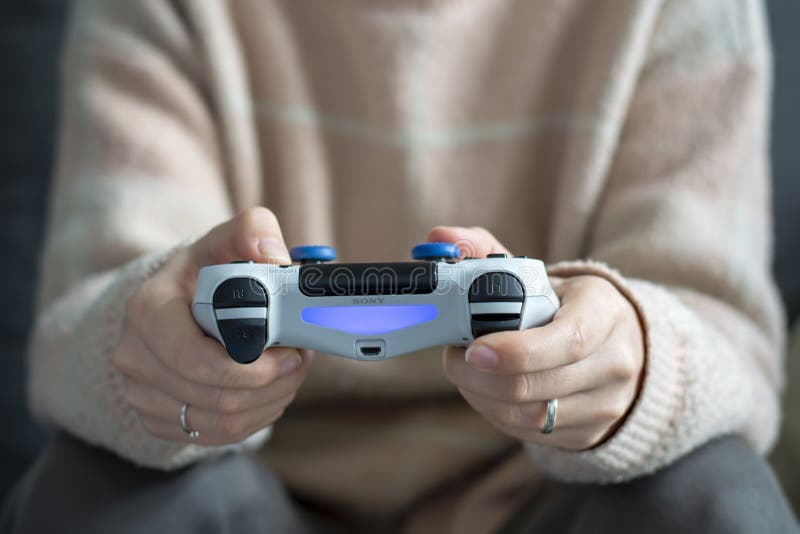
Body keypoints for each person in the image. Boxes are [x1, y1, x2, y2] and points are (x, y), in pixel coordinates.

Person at [2, 0, 799, 532]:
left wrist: (634, 363)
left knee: (714, 499)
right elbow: (82, 336)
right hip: (250, 491)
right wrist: (152, 353)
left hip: (547, 495)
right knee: (95, 494)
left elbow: (728, 337)